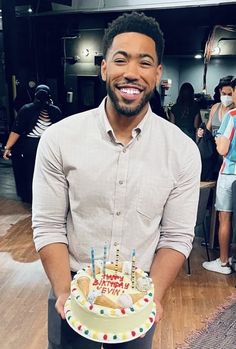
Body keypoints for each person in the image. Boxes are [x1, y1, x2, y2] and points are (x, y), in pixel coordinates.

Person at [32, 12, 201, 349]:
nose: (132, 73)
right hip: (73, 291)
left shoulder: (182, 151)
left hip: (138, 302)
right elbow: (49, 225)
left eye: (144, 62)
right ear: (104, 68)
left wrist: (148, 298)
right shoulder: (60, 139)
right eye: (121, 60)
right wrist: (64, 292)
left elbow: (177, 235)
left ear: (157, 73)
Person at [3, 84, 62, 203]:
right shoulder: (55, 110)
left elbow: (17, 130)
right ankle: (48, 196)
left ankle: (30, 196)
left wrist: (7, 147)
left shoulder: (27, 109)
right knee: (48, 173)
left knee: (29, 172)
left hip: (30, 147)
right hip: (49, 147)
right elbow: (60, 132)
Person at [202, 77, 236, 275]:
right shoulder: (217, 109)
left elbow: (222, 148)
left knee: (225, 217)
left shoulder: (232, 116)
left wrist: (217, 142)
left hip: (229, 172)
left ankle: (223, 262)